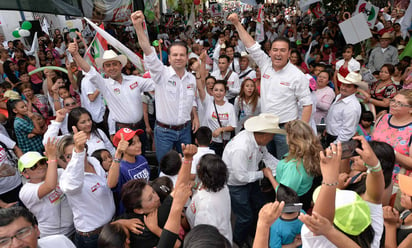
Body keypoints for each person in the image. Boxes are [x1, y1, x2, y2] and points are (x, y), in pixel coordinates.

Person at [228, 13, 313, 159]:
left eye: (282, 50)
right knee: (267, 160)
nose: (278, 54)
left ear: (289, 53)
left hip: (286, 129)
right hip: (265, 126)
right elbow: (251, 46)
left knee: (285, 163)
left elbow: (307, 104)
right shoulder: (265, 64)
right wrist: (237, 23)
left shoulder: (297, 76)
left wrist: (300, 131)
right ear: (270, 52)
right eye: (275, 50)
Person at [132, 11, 200, 162]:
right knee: (165, 168)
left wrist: (195, 116)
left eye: (182, 55)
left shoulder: (191, 79)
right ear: (168, 58)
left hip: (185, 130)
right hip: (164, 133)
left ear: (187, 58)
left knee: (186, 165)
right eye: (175, 55)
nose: (178, 58)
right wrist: (138, 27)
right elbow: (148, 51)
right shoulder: (160, 73)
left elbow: (191, 100)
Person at [67, 40, 155, 155]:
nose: (112, 68)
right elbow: (90, 71)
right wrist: (76, 55)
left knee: (142, 157)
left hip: (140, 128)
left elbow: (156, 83)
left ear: (120, 65)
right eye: (108, 65)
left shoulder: (135, 80)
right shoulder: (105, 85)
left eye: (114, 64)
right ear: (104, 69)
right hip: (123, 131)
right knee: (125, 161)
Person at [222, 113, 283, 247]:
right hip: (237, 185)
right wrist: (263, 174)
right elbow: (241, 176)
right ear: (265, 135)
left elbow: (266, 156)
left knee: (260, 205)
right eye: (272, 134)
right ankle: (238, 241)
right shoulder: (242, 148)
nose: (273, 138)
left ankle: (255, 233)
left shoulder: (259, 141)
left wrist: (282, 167)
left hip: (252, 178)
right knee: (245, 217)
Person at [58, 130, 115, 248]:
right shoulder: (67, 178)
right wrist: (78, 152)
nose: (73, 157)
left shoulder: (94, 161)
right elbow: (71, 185)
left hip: (110, 227)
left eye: (75, 151)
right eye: (69, 156)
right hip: (92, 237)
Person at [18, 139, 74, 238]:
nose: (40, 167)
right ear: (25, 173)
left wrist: (55, 155)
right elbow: (50, 186)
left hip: (75, 228)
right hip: (53, 236)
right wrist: (52, 158)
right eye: (33, 166)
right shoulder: (26, 191)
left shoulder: (58, 172)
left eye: (42, 162)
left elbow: (72, 170)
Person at [273, 120, 322, 211]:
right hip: (305, 196)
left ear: (291, 140)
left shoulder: (293, 167)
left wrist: (269, 175)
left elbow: (285, 196)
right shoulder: (311, 154)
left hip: (293, 205)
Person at [185, 154, 232, 243]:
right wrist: (196, 185)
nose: (197, 166)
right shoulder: (222, 186)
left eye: (199, 165)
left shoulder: (206, 208)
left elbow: (203, 238)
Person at [372, 89, 412, 188]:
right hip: (373, 173)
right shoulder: (383, 118)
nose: (393, 104)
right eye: (393, 101)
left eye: (399, 103)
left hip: (395, 182)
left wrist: (389, 151)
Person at [107, 128, 150, 214]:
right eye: (133, 144)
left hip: (146, 205)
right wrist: (118, 154)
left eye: (138, 141)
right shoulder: (119, 167)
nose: (138, 145)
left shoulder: (142, 159)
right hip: (130, 212)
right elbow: (111, 184)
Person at [196, 79, 236, 157]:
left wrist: (221, 129)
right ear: (212, 92)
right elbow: (200, 89)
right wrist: (198, 74)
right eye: (216, 90)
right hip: (210, 143)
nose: (218, 93)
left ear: (225, 93)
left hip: (224, 143)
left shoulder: (229, 106)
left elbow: (233, 126)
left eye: (221, 90)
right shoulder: (208, 103)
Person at [0, 206, 75, 248]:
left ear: (36, 229)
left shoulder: (60, 242)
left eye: (21, 233)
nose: (17, 245)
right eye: (3, 241)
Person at [323, 72, 363, 146]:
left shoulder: (352, 106)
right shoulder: (339, 97)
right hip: (331, 136)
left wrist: (334, 146)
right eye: (343, 84)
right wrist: (328, 129)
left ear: (355, 89)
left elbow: (347, 132)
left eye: (348, 86)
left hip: (339, 141)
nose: (343, 87)